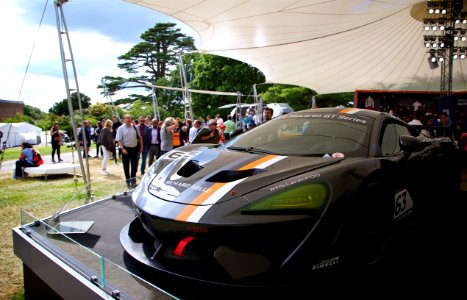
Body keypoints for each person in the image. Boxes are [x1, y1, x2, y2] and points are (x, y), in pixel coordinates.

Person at [115, 114, 143, 188]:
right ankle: (128, 181)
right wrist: (122, 149)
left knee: (134, 166)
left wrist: (141, 147)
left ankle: (133, 181)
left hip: (134, 149)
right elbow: (119, 139)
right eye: (127, 118)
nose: (129, 120)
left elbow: (139, 137)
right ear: (124, 119)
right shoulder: (121, 128)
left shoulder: (135, 127)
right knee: (126, 166)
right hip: (125, 149)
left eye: (130, 118)